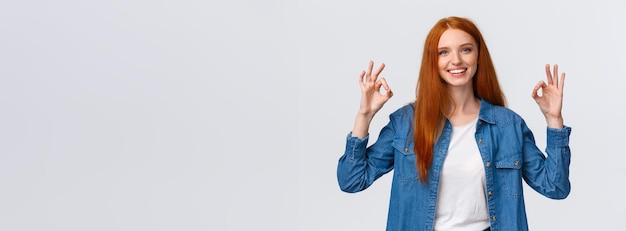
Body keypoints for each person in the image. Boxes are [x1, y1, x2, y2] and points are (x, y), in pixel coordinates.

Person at [336, 16, 571, 231]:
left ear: (478, 56)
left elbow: (555, 187)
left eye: (466, 50)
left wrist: (553, 120)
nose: (456, 60)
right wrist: (364, 115)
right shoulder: (406, 123)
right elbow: (352, 180)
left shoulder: (508, 125)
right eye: (443, 52)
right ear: (433, 61)